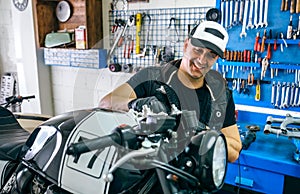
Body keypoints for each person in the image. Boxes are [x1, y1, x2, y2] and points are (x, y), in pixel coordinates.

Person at [99, 20, 242, 163]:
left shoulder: (220, 94)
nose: (202, 60)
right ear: (186, 45)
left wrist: (205, 134)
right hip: (153, 175)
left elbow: (234, 150)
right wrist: (138, 104)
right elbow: (106, 103)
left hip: (195, 179)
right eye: (198, 50)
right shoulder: (151, 78)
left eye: (211, 55)